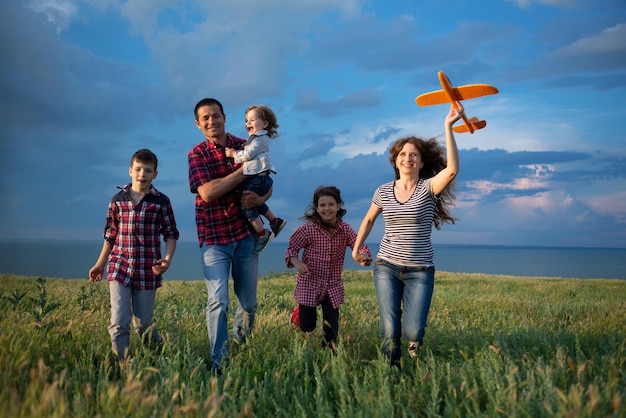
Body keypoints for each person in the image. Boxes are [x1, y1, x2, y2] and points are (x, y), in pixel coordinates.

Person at [352, 104, 463, 367]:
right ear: (396, 160)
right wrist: (356, 249)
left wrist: (448, 126)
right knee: (390, 330)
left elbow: (452, 170)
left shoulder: (428, 188)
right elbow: (369, 219)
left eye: (414, 155)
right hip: (386, 266)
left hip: (420, 270)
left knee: (413, 331)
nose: (408, 158)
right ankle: (391, 374)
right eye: (403, 154)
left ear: (421, 162)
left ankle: (414, 351)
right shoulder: (383, 191)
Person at [188, 98, 272, 375]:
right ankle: (218, 361)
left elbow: (266, 183)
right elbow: (208, 193)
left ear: (224, 117)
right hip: (213, 238)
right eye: (205, 118)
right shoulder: (196, 154)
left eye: (216, 116)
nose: (212, 122)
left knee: (248, 303)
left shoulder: (245, 144)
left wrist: (261, 195)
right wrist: (242, 171)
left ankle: (241, 341)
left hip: (245, 236)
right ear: (198, 124)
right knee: (218, 300)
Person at [89, 148, 179, 364]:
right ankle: (123, 365)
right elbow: (110, 236)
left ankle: (162, 358)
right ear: (130, 170)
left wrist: (167, 260)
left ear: (155, 174)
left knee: (143, 325)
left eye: (148, 170)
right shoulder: (117, 200)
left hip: (148, 270)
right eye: (138, 169)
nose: (142, 174)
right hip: (120, 268)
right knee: (119, 321)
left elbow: (171, 234)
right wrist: (100, 264)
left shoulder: (161, 202)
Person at [286, 185, 371, 350]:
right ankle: (298, 317)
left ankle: (329, 354)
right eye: (322, 205)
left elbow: (358, 244)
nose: (327, 209)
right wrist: (298, 263)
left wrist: (364, 255)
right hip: (309, 283)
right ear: (317, 208)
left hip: (332, 285)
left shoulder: (344, 229)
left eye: (331, 204)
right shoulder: (308, 229)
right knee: (308, 325)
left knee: (331, 327)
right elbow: (291, 249)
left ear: (338, 206)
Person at [224, 104, 286, 254]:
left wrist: (232, 154)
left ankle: (262, 233)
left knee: (247, 205)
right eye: (246, 121)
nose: (248, 123)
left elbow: (247, 155)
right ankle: (274, 221)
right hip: (261, 178)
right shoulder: (255, 139)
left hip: (257, 178)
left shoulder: (259, 139)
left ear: (264, 124)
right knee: (256, 203)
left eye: (252, 120)